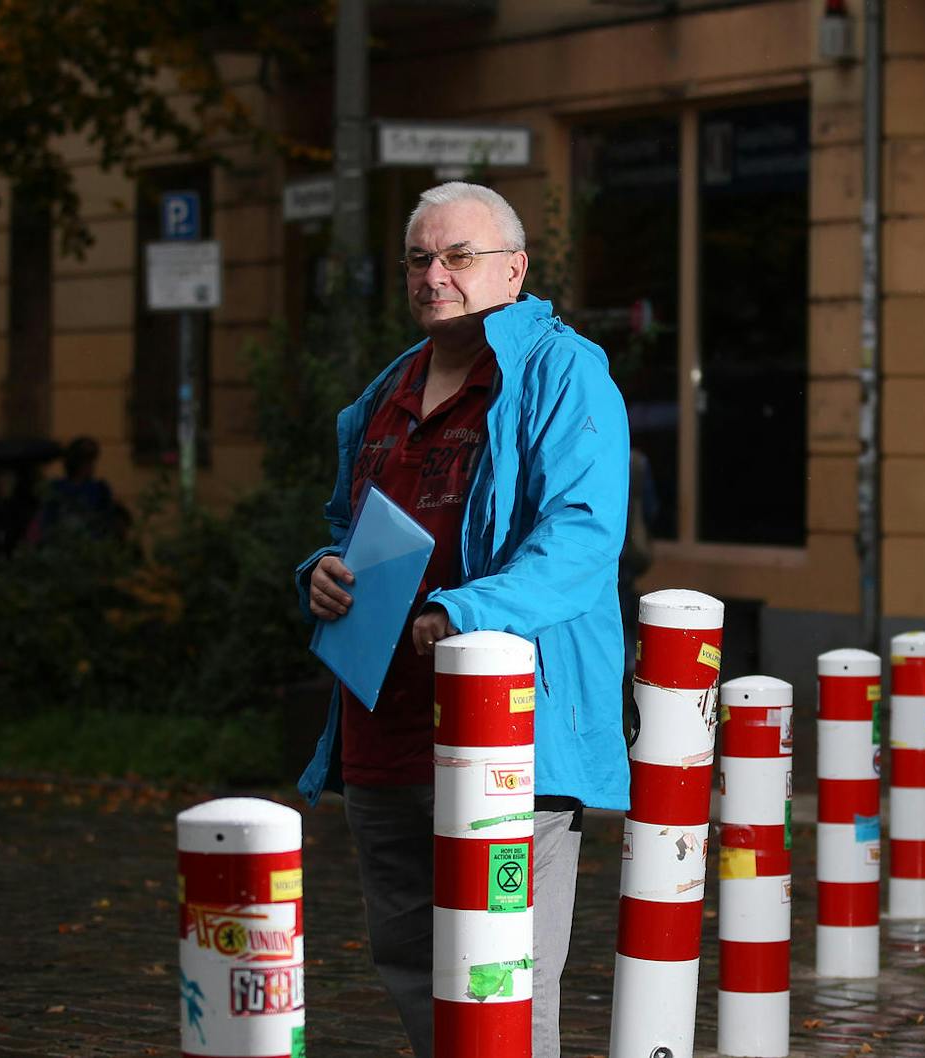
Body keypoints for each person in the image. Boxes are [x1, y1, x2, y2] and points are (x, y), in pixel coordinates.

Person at [293, 182, 630, 1057]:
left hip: (504, 734)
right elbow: (348, 525)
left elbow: (585, 537)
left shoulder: (563, 370)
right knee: (410, 961)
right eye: (419, 258)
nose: (435, 274)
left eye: (458, 257)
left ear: (513, 271)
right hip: (384, 726)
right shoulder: (386, 390)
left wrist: (467, 609)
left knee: (501, 975)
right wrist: (321, 575)